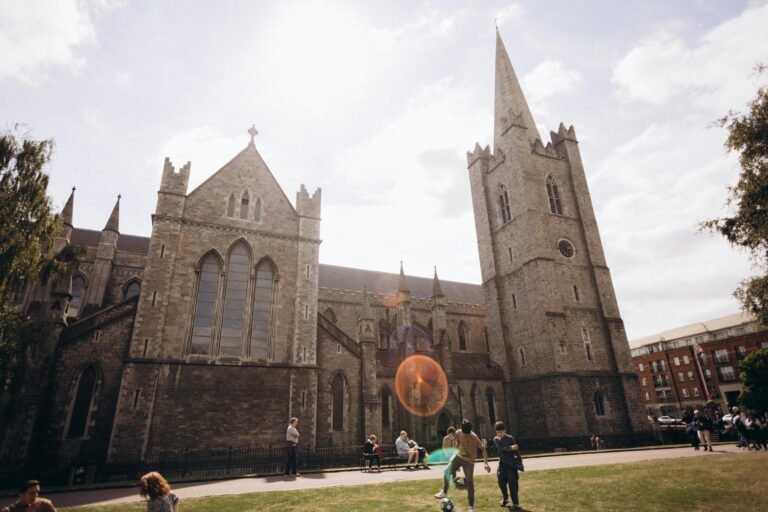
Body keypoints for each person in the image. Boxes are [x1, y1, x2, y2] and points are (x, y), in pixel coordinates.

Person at [433, 419, 490, 512]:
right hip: (459, 456)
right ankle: (444, 492)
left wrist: (486, 463)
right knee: (447, 470)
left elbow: (483, 449)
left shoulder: (474, 437)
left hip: (469, 461)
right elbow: (457, 443)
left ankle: (471, 507)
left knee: (470, 483)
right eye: (464, 432)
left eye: (467, 433)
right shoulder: (458, 432)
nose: (466, 435)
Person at [493, 421, 523, 510]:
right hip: (502, 463)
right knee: (501, 481)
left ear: (505, 430)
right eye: (498, 432)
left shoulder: (510, 438)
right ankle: (505, 498)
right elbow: (500, 449)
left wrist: (520, 463)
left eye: (501, 432)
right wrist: (510, 448)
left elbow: (517, 450)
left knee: (512, 483)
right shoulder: (496, 439)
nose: (500, 434)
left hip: (511, 464)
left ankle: (515, 503)